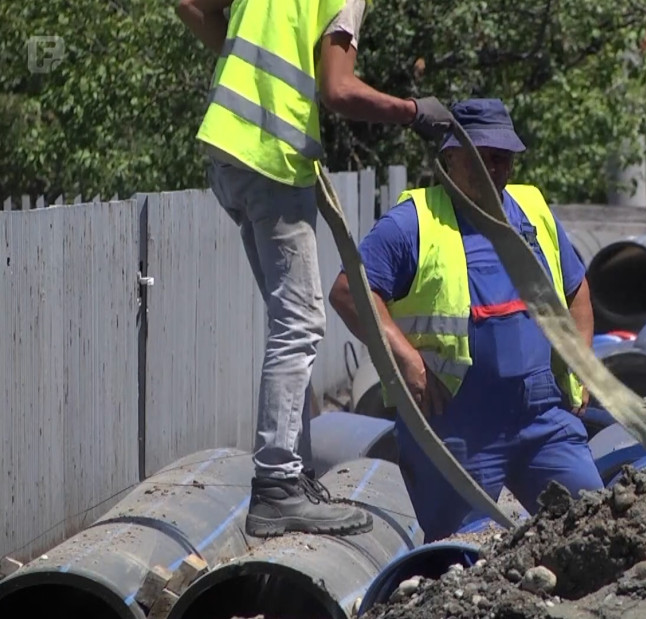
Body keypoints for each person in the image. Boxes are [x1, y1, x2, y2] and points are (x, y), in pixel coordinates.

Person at [176, 0, 455, 538]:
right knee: (300, 323)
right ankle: (278, 487)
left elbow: (189, 6)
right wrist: (414, 112)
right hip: (272, 157)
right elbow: (337, 89)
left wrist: (244, 64)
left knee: (289, 324)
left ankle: (293, 476)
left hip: (228, 150)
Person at [328, 98, 605, 541]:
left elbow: (578, 290)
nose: (496, 170)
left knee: (593, 526)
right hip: (456, 423)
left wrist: (583, 364)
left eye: (503, 160)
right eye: (483, 159)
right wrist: (408, 360)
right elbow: (349, 292)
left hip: (542, 416)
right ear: (451, 158)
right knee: (457, 562)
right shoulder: (413, 222)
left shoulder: (532, 210)